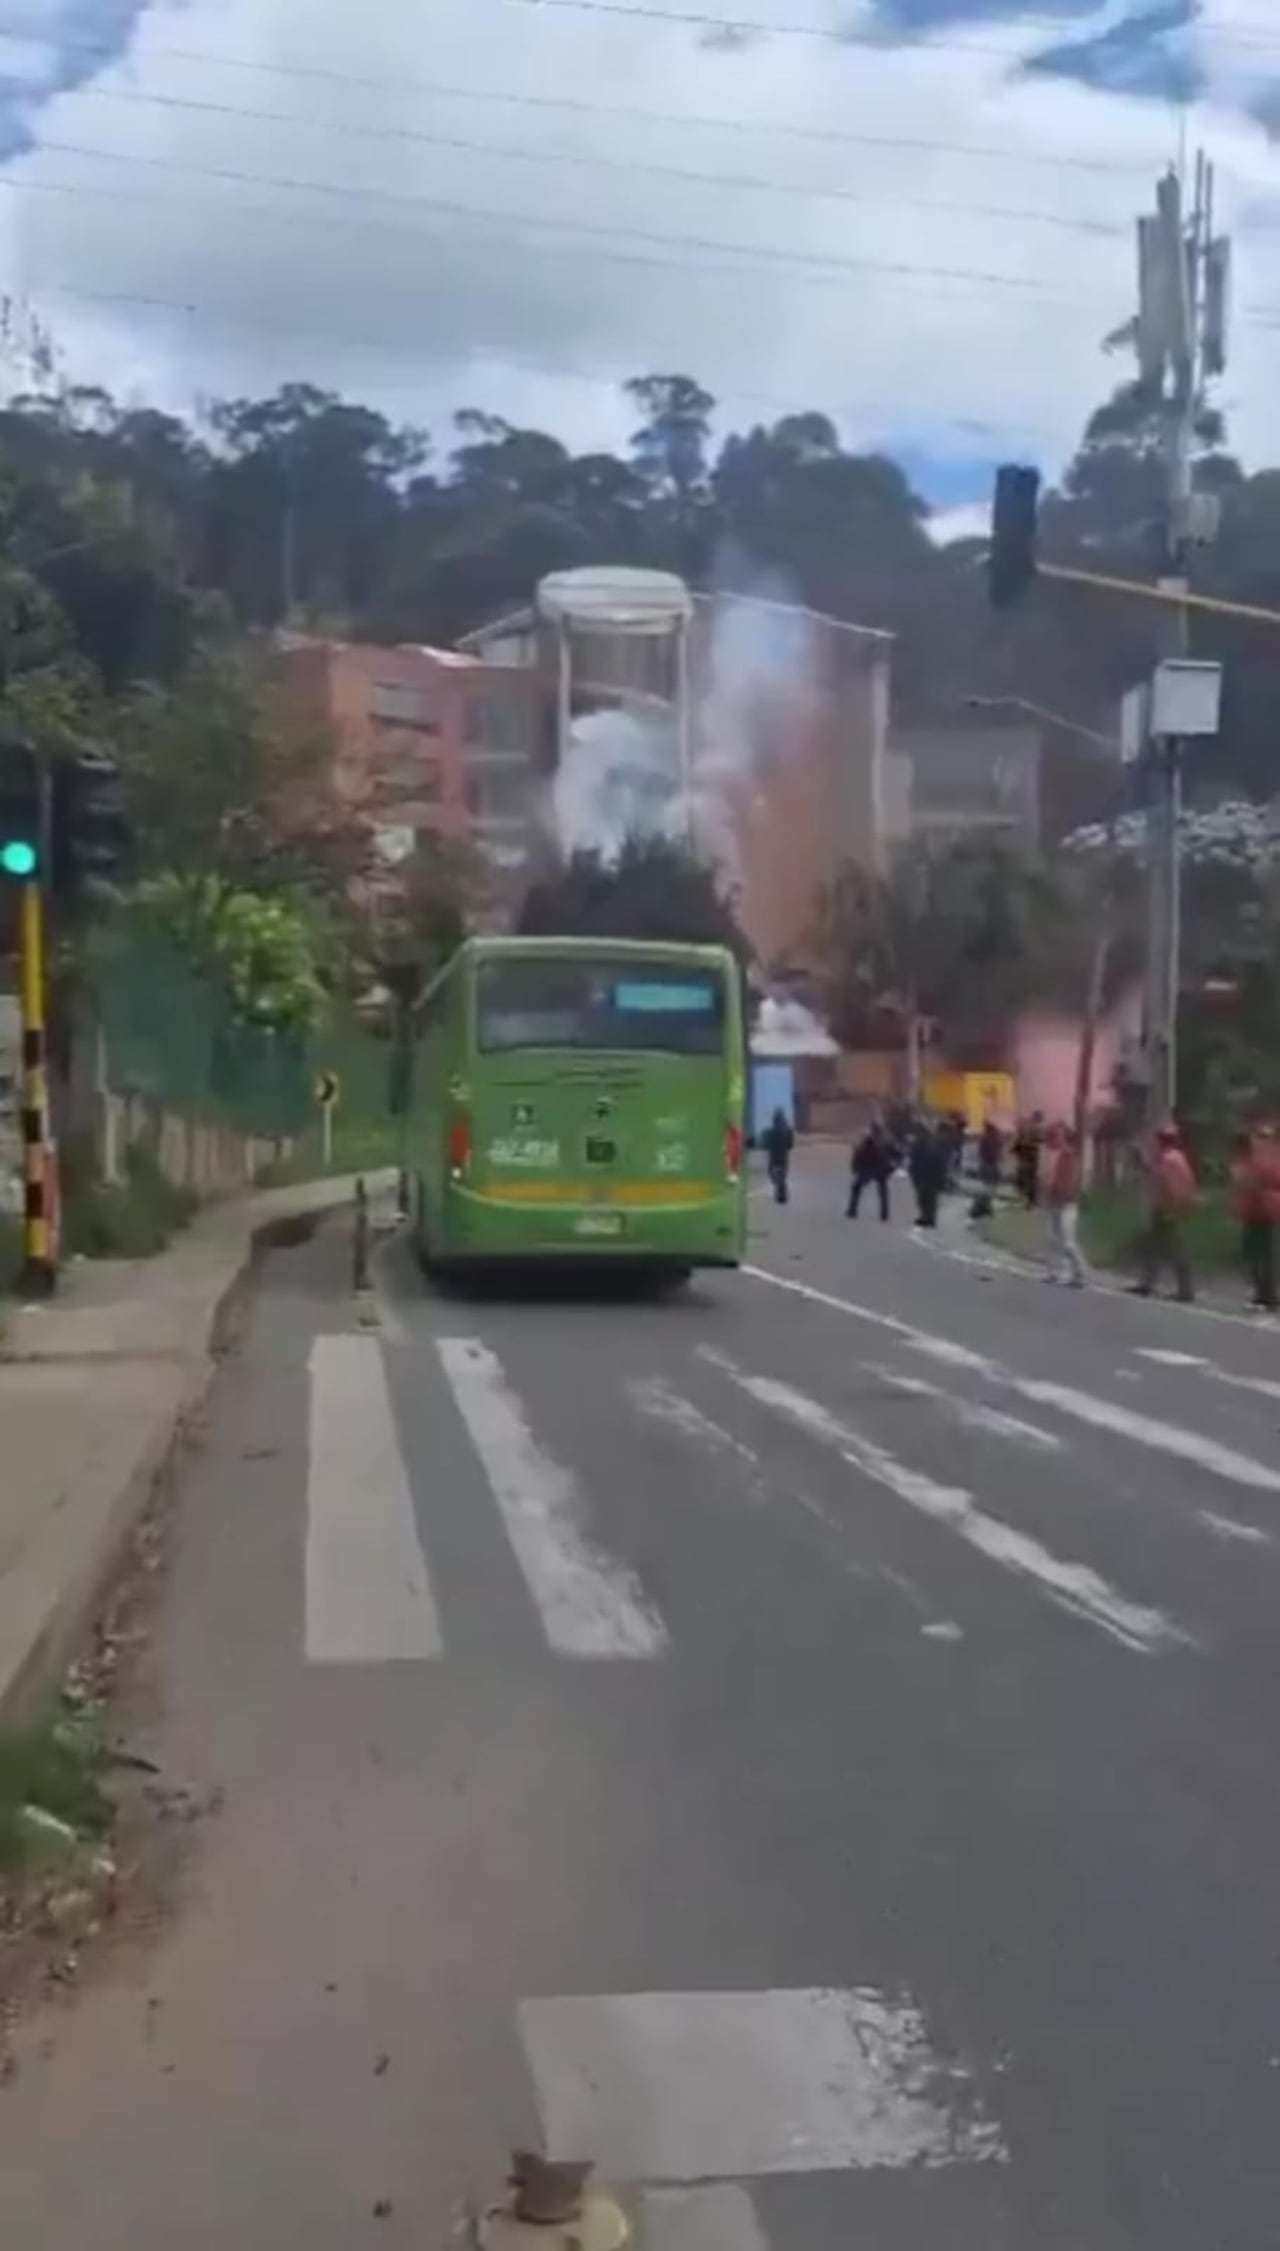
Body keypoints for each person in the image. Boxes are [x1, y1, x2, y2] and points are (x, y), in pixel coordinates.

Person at [1133, 1120, 1196, 1302]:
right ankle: (1148, 1282)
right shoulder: (1176, 1157)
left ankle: (1183, 1290)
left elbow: (1167, 1183)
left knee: (1173, 1248)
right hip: (1169, 1207)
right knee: (1155, 1246)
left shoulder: (1169, 1159)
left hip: (1167, 1209)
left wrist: (1172, 1207)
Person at [1234, 1121, 1280, 1312]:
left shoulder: (1261, 1159)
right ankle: (1266, 1293)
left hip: (1259, 1210)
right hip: (1263, 1210)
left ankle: (1264, 1294)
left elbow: (1251, 1182)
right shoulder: (1270, 1156)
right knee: (1264, 1254)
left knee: (1258, 1254)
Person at [1044, 1122, 1088, 1288]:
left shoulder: (1070, 1156)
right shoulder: (1054, 1155)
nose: (1054, 1139)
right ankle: (1054, 1272)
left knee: (1068, 1241)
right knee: (1052, 1238)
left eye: (1057, 1136)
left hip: (1067, 1203)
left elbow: (1070, 1181)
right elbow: (1050, 1179)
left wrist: (1064, 1195)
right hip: (1055, 1201)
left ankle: (1080, 1273)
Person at [848, 1119, 894, 1221]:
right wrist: (892, 1167)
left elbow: (857, 1154)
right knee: (883, 1191)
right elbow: (895, 1154)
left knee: (857, 1188)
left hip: (867, 1169)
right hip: (880, 1169)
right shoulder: (886, 1140)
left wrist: (855, 1168)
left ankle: (852, 1210)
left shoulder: (865, 1140)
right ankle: (884, 1214)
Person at [908, 1118, 947, 1229]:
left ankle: (929, 1217)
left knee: (929, 1197)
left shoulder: (930, 1142)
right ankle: (926, 1216)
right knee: (924, 1197)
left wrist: (940, 1173)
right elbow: (913, 1158)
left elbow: (937, 1159)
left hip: (928, 1174)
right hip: (923, 1174)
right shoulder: (920, 1142)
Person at [970, 1115, 1003, 1221]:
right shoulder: (996, 1138)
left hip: (987, 1164)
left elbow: (982, 1152)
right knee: (990, 1188)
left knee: (986, 1187)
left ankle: (983, 1208)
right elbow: (997, 1153)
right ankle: (985, 1207)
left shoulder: (986, 1138)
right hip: (992, 1165)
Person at [762, 1106, 795, 1206]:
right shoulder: (788, 1131)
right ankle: (782, 1194)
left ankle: (780, 1192)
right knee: (782, 1176)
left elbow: (765, 1145)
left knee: (774, 1176)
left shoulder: (769, 1132)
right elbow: (790, 1146)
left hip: (773, 1158)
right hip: (783, 1158)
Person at [1011, 1112, 1044, 1208]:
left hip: (1029, 1156)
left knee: (1027, 1179)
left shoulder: (1033, 1128)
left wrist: (1018, 1148)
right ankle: (1030, 1200)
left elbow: (1025, 1141)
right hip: (1030, 1156)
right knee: (1027, 1179)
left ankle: (1029, 1200)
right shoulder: (1034, 1127)